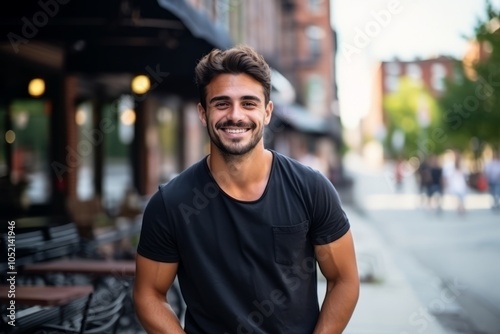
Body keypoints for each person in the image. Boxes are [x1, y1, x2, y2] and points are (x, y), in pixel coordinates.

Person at [133, 45, 360, 334]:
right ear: (203, 113)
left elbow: (344, 280)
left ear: (267, 112)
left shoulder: (311, 189)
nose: (235, 115)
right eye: (222, 103)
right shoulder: (171, 203)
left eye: (249, 103)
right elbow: (148, 294)